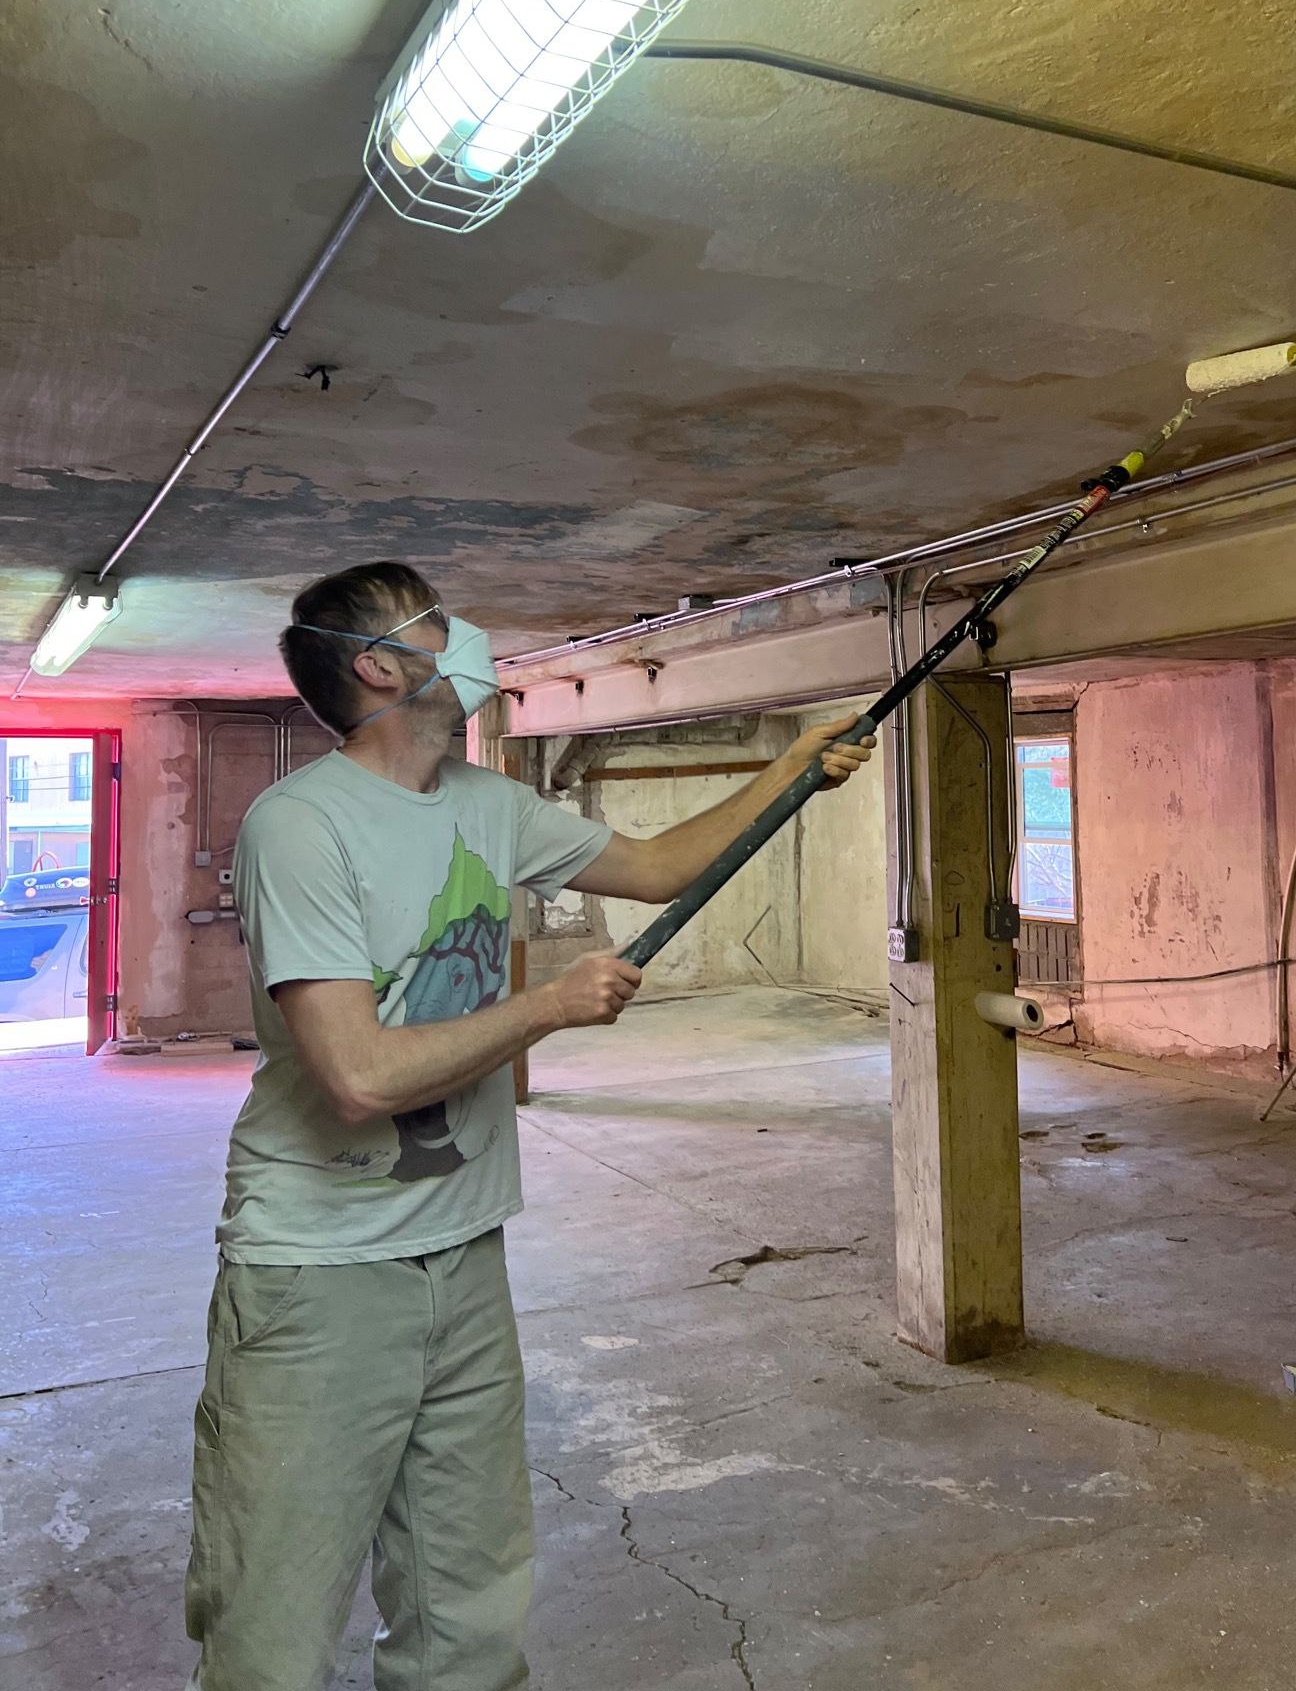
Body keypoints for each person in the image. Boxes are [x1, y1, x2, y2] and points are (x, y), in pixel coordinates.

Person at [183, 560, 874, 1691]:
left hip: (464, 1252)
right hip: (319, 1270)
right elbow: (355, 1073)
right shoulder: (299, 827)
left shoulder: (488, 802)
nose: (469, 638)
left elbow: (655, 866)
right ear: (382, 665)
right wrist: (548, 1003)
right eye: (437, 623)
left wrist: (791, 771)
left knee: (469, 1598)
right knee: (273, 1611)